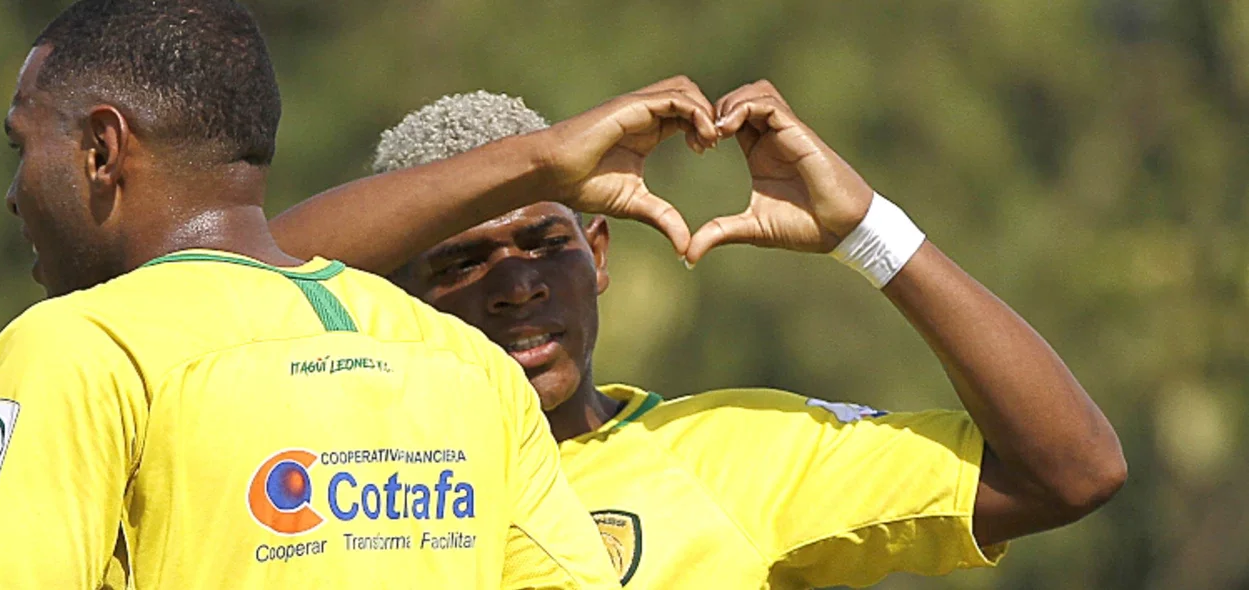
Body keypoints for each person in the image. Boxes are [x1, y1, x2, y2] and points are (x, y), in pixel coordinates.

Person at [0, 1, 723, 588]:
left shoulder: (78, 348)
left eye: (21, 146)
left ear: (102, 149)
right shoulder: (465, 363)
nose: (14, 192)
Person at [272, 82, 1128, 588]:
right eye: (461, 263)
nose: (517, 287)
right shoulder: (333, 480)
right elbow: (226, 276)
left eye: (543, 243)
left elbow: (1070, 474)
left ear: (596, 254)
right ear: (394, 296)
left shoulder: (733, 456)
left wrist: (867, 232)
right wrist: (538, 160)